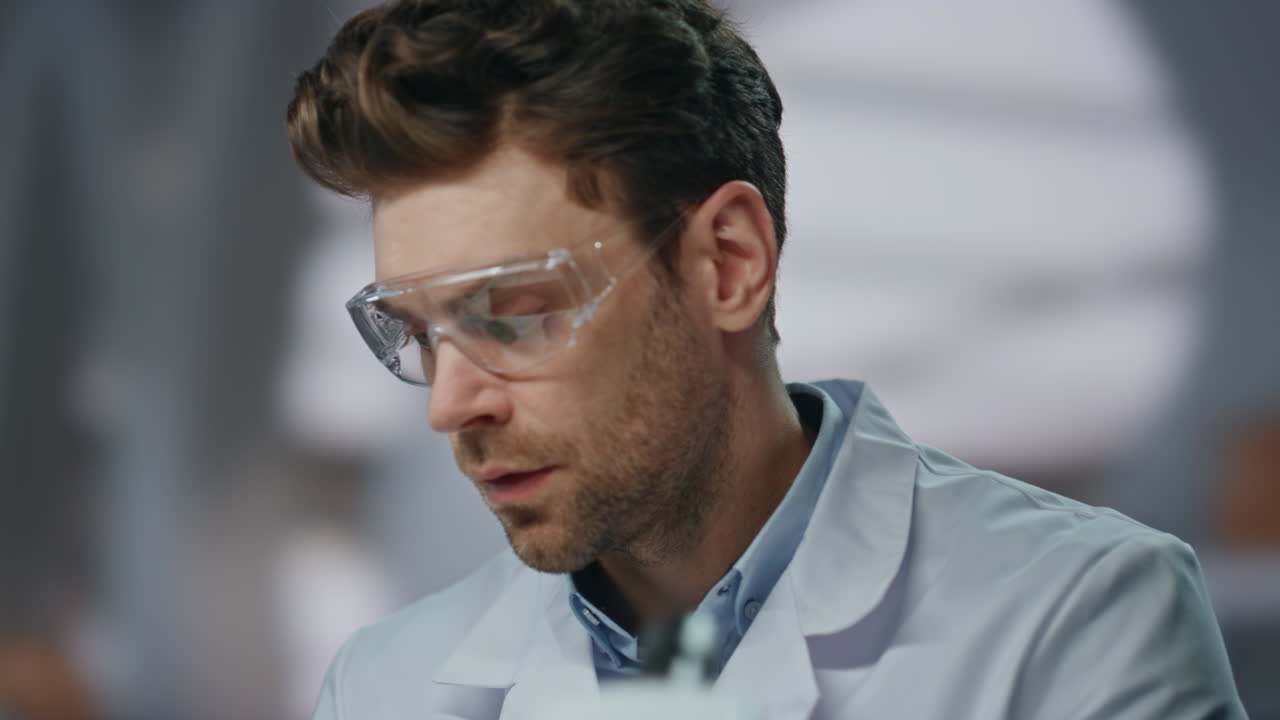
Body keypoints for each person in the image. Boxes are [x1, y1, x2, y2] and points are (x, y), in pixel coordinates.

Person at [284, 1, 1246, 718]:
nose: (450, 406)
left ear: (727, 263)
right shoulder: (384, 687)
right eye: (418, 333)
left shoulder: (1078, 623)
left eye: (513, 315)